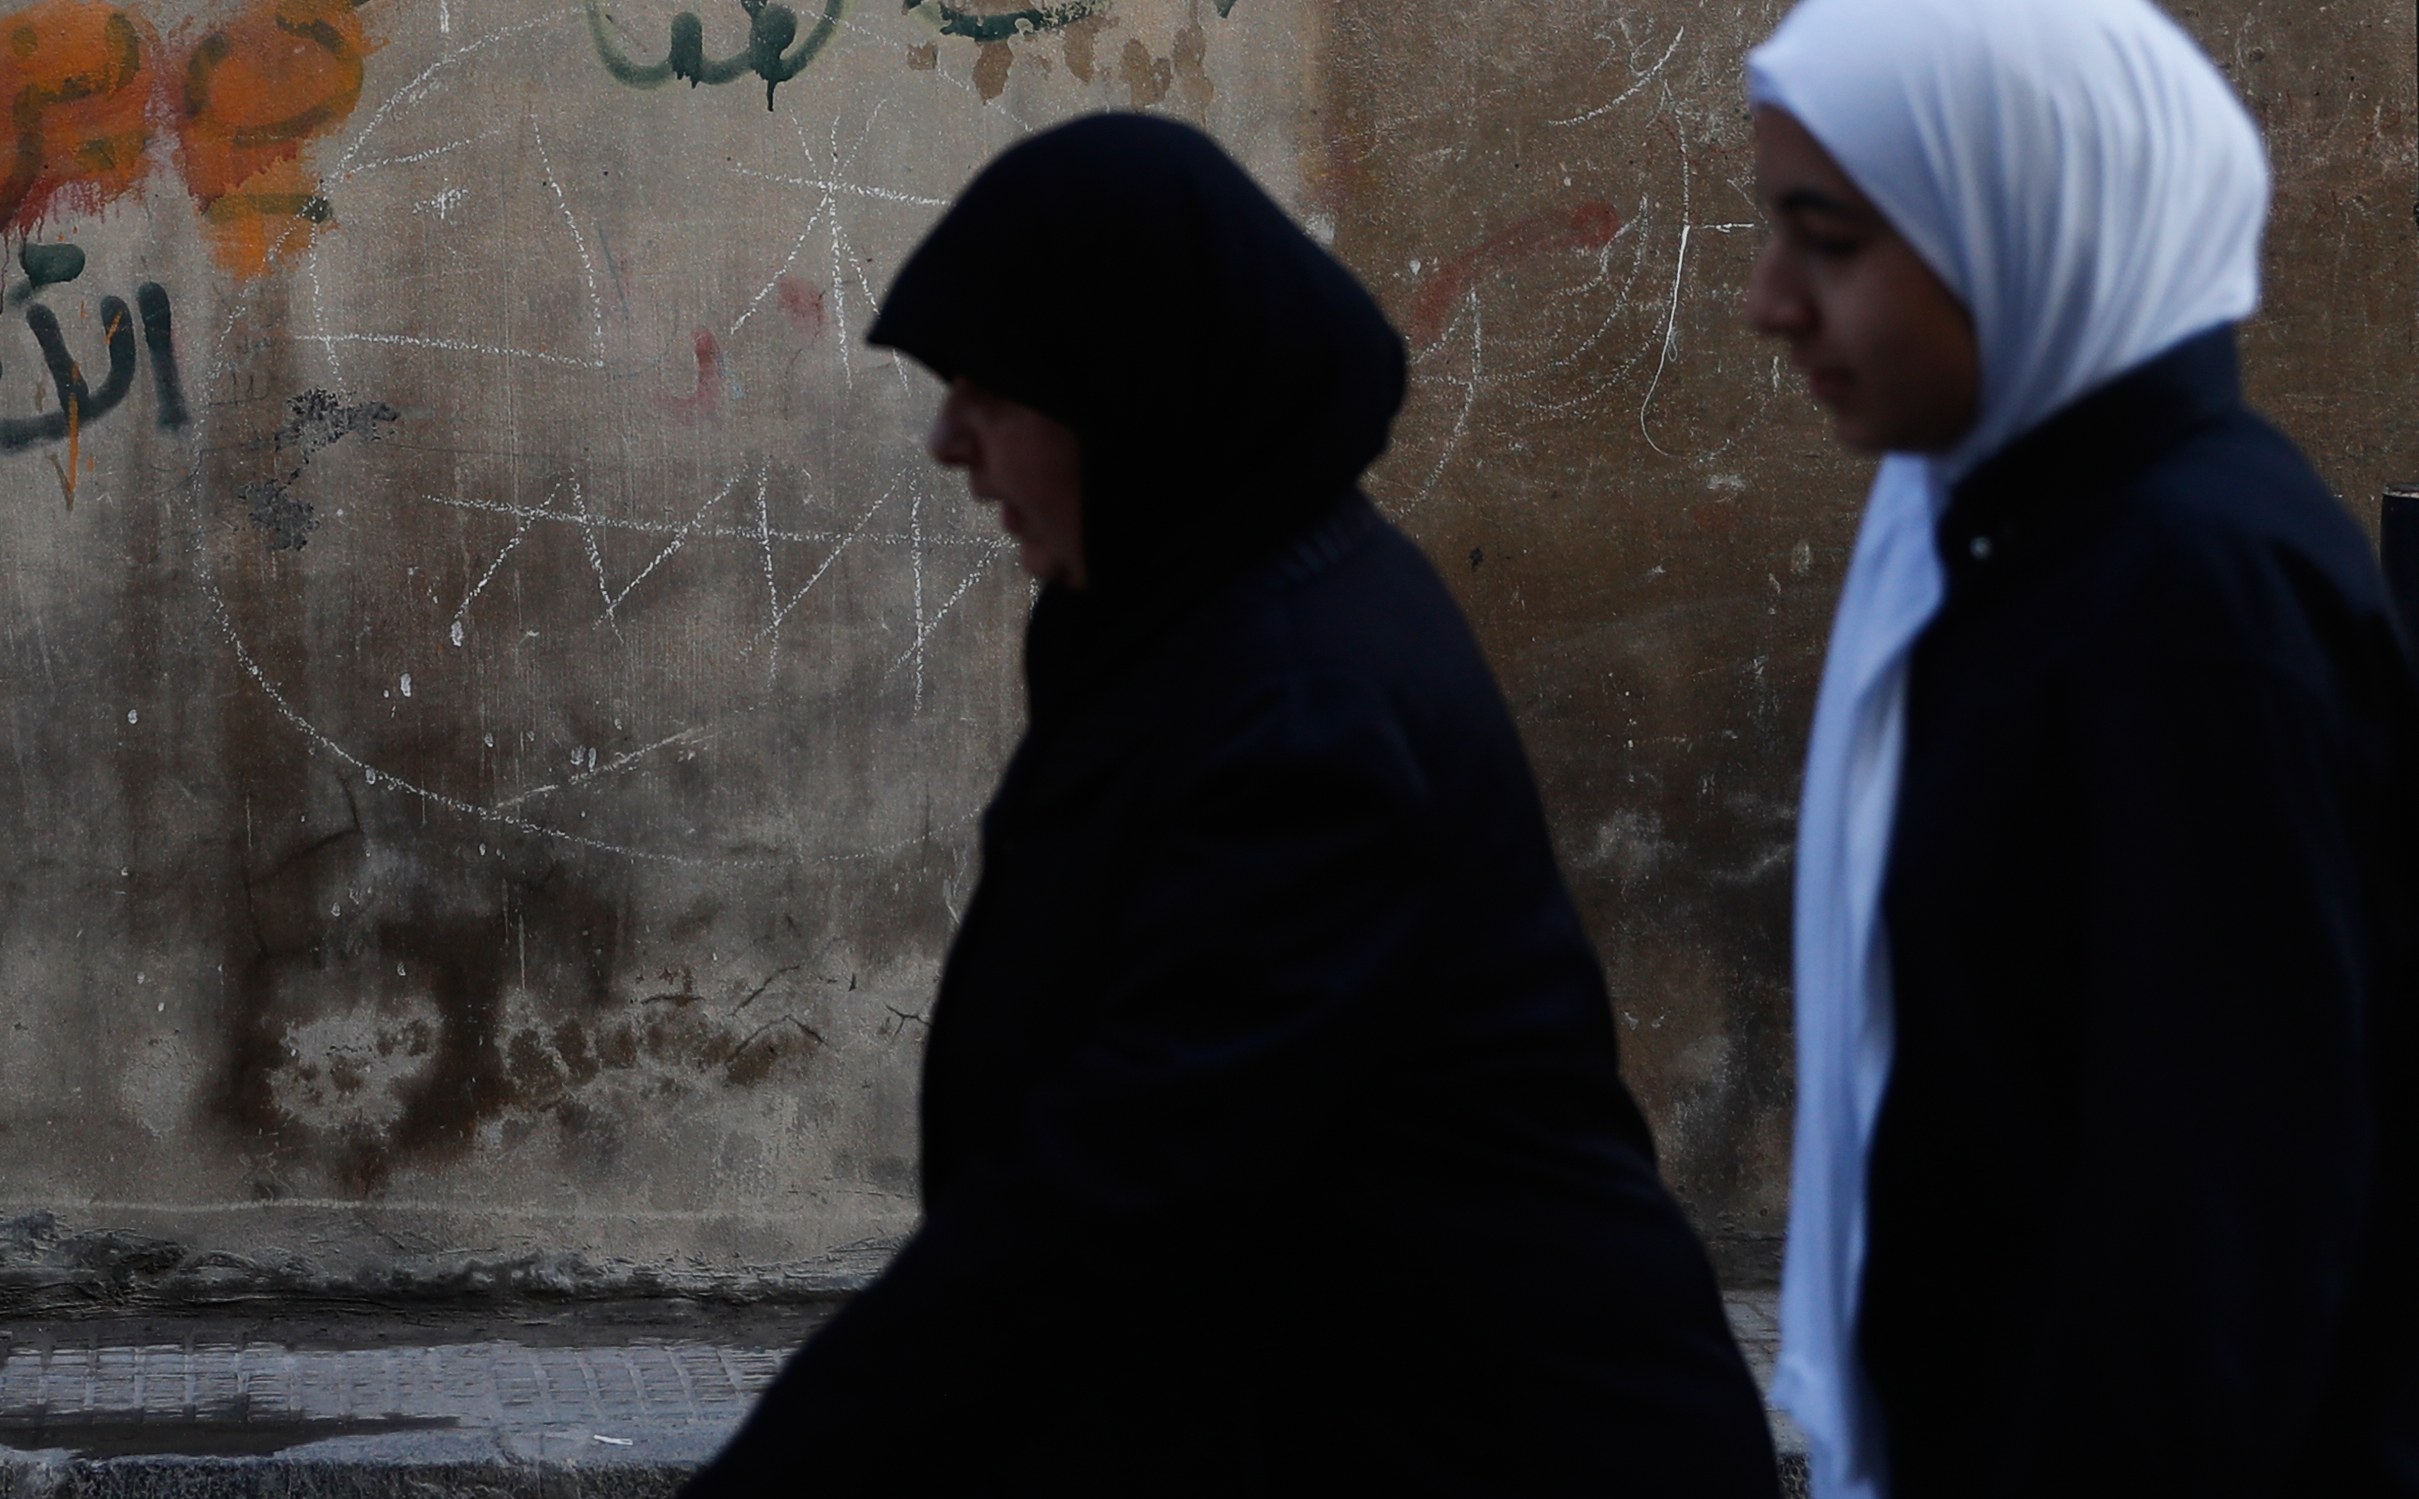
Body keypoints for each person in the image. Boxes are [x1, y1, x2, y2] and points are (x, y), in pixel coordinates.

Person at [683, 113, 1779, 1497]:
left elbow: (1116, 1184)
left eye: (993, 389)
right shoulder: (1186, 615)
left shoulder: (1308, 716)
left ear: (1133, 398)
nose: (950, 440)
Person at [1745, 0, 2419, 1496]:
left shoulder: (2192, 604)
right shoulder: (1994, 534)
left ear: (2018, 219)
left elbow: (2210, 1244)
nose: (1769, 301)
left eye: (1827, 240)